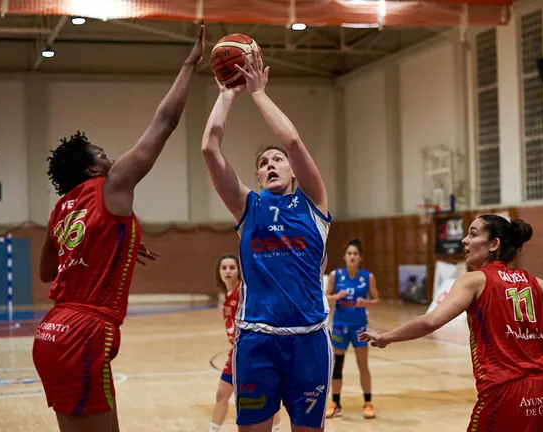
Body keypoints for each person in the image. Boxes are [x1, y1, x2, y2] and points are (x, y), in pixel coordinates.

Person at [31, 22, 205, 432]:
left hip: (51, 333)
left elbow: (46, 272)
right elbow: (164, 124)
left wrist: (112, 243)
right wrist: (189, 65)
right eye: (103, 154)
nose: (111, 159)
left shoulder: (61, 209)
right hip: (84, 333)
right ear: (91, 168)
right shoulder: (111, 184)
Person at [359, 215, 543, 432]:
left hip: (506, 395)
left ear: (494, 244)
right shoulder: (536, 283)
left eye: (473, 234)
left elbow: (431, 320)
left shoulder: (474, 280)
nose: (464, 240)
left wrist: (387, 337)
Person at [201, 51, 332, 432]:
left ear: (293, 168)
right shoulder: (248, 206)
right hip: (257, 339)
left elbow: (291, 138)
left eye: (277, 160)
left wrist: (258, 92)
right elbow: (210, 149)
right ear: (258, 177)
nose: (271, 164)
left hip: (309, 339)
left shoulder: (314, 203)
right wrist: (227, 94)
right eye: (263, 163)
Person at [209, 255, 281, 432]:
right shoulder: (226, 295)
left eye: (232, 267)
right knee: (222, 394)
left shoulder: (243, 290)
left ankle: (277, 428)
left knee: (263, 395)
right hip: (236, 353)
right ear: (218, 272)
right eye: (224, 268)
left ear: (239, 271)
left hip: (252, 352)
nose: (228, 271)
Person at [324, 239, 380, 420]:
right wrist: (336, 296)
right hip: (340, 326)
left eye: (355, 254)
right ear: (345, 256)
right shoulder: (335, 275)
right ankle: (336, 403)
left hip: (359, 327)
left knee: (362, 365)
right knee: (337, 366)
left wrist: (367, 303)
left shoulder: (367, 277)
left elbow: (377, 300)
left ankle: (368, 402)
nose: (352, 257)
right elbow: (325, 298)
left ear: (360, 257)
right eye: (349, 254)